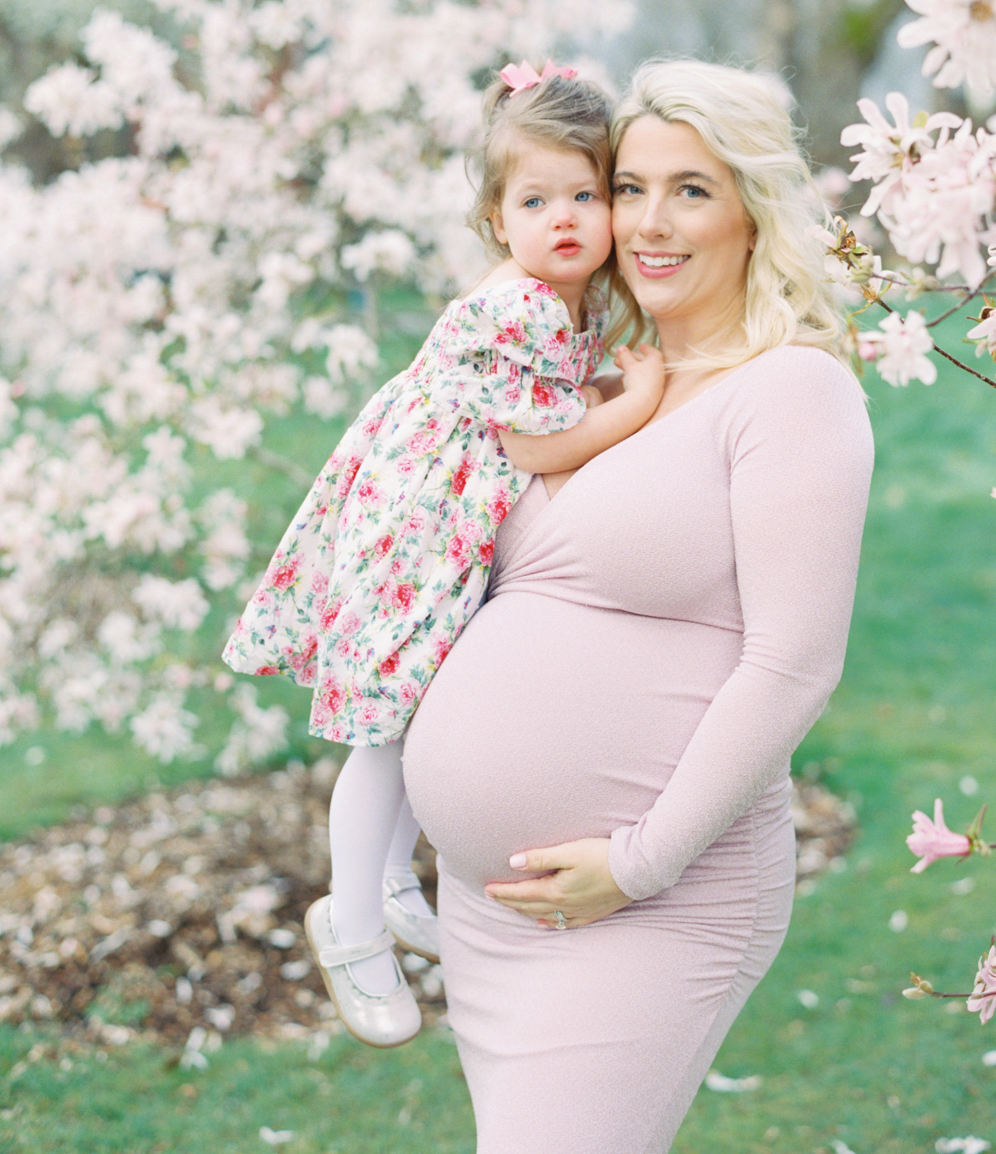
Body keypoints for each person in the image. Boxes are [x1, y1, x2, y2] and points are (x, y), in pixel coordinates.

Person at [402, 57, 875, 1153]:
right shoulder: (603, 376)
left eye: (691, 189)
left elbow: (794, 663)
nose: (649, 222)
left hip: (651, 897)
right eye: (630, 186)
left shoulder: (791, 390)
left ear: (753, 209)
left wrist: (642, 860)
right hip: (497, 906)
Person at [221, 60, 665, 1048]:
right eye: (533, 198)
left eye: (585, 194)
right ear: (496, 216)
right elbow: (533, 444)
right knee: (387, 730)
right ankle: (349, 920)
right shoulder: (521, 305)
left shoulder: (565, 301)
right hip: (414, 525)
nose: (563, 218)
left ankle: (385, 876)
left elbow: (540, 413)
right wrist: (631, 406)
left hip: (439, 513)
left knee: (430, 709)